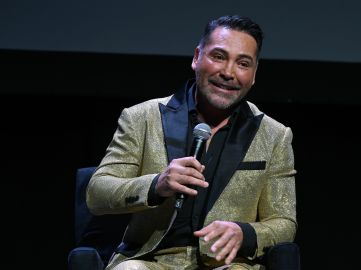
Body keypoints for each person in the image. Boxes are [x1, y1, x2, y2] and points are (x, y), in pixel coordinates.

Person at [86, 15, 297, 270]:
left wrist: (246, 233)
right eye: (218, 57)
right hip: (151, 261)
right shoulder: (142, 117)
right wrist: (156, 184)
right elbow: (97, 193)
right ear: (197, 57)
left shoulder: (274, 135)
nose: (229, 73)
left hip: (229, 265)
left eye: (243, 63)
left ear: (253, 75)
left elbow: (284, 222)